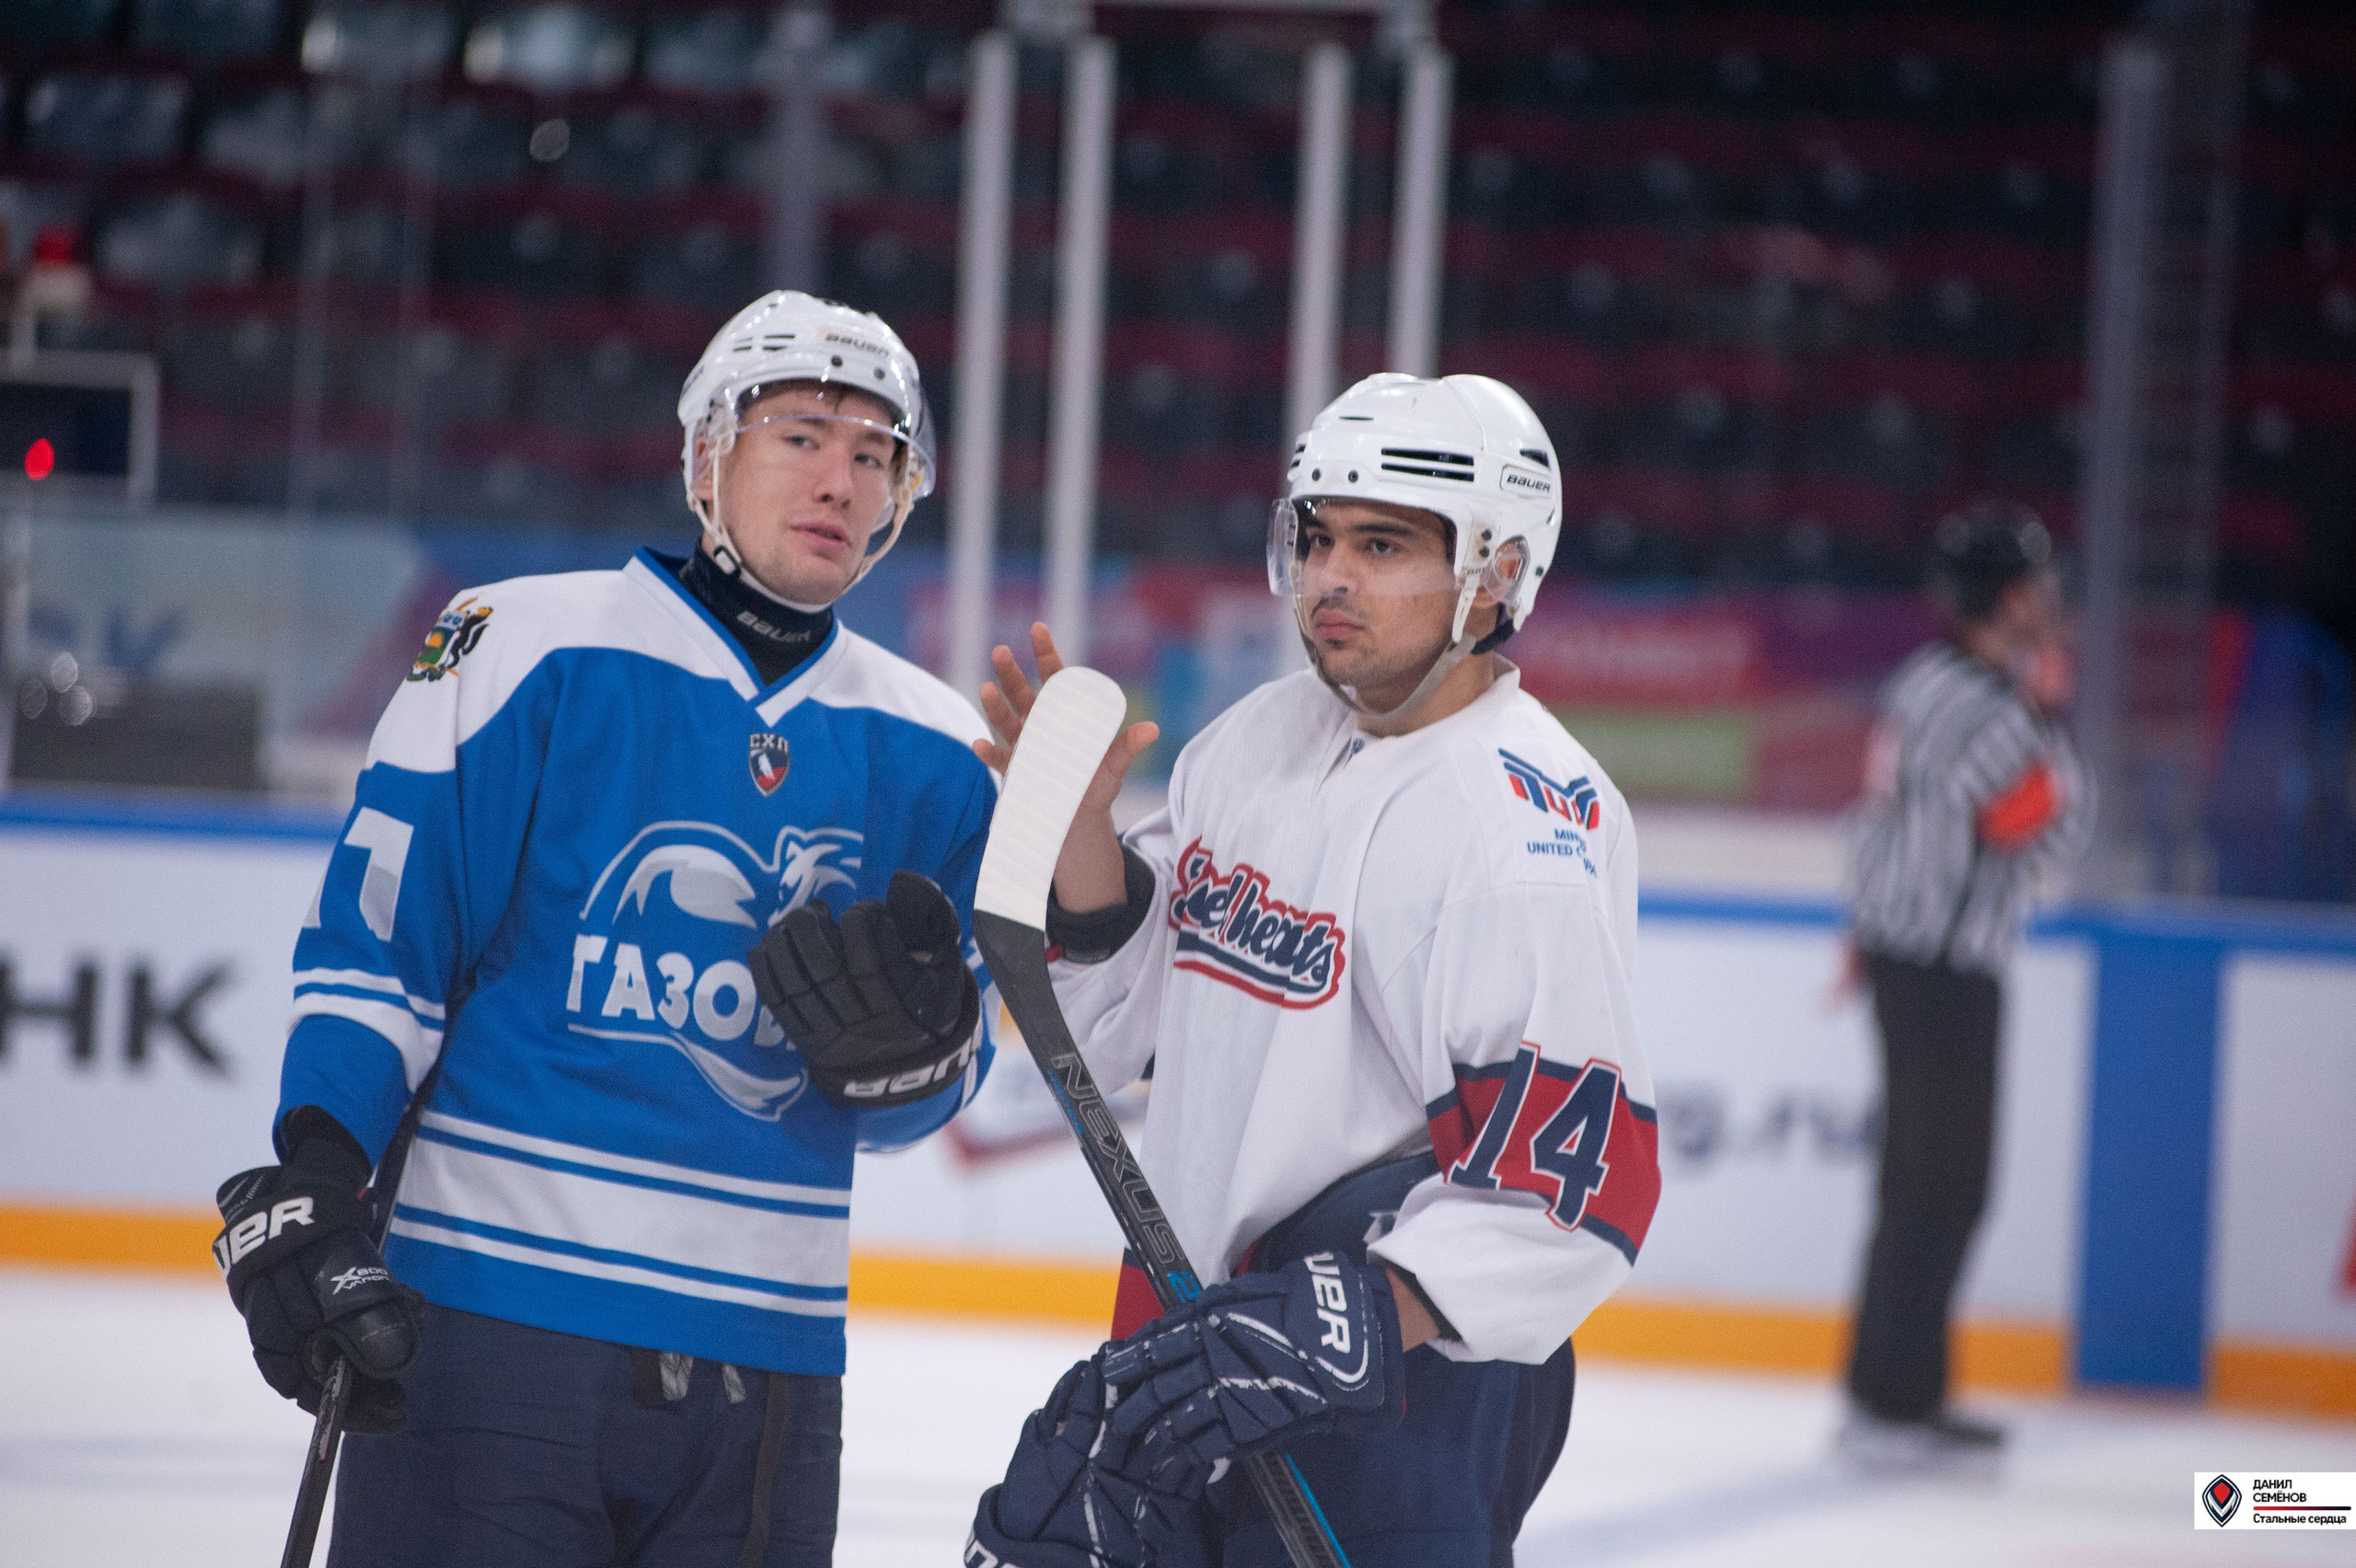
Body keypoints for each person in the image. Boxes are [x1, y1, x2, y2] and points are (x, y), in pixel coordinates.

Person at [209, 291, 1000, 1566]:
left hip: (769, 1371)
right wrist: (318, 1165)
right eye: (800, 434)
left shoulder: (946, 754)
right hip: (489, 1336)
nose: (839, 478)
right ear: (706, 455)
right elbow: (380, 951)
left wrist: (925, 1059)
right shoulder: (522, 645)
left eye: (875, 453)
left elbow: (928, 1099)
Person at [964, 372, 1662, 1567]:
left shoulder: (1524, 833)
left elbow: (1572, 1194)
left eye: (1383, 544)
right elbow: (1126, 1016)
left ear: (1497, 571)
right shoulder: (1255, 741)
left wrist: (1348, 1322)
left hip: (1397, 1387)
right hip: (1195, 1335)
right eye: (1320, 536)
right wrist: (1082, 836)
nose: (1333, 576)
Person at [1839, 502, 2092, 1465]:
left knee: (1918, 1182)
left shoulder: (1926, 682)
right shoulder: (1989, 710)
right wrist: (2047, 716)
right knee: (1943, 1186)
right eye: (2037, 585)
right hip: (1946, 967)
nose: (2051, 601)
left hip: (1914, 957)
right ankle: (1898, 1403)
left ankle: (1889, 1391)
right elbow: (2049, 824)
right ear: (2009, 596)